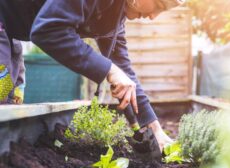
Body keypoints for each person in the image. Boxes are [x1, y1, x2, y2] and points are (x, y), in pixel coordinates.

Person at [0, 0, 184, 151]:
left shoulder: (114, 17)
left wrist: (155, 128)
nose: (153, 17)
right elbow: (47, 31)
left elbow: (125, 74)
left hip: (11, 31)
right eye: (159, 6)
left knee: (11, 104)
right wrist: (109, 70)